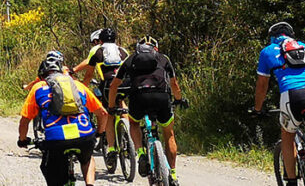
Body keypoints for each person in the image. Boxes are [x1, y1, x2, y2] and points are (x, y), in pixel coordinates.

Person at [251, 22, 305, 186]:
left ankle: (291, 181)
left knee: (287, 135)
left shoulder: (267, 51)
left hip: (293, 95)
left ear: (271, 38)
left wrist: (258, 109)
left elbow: (262, 85)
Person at [18, 52, 109, 186]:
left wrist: (22, 140)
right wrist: (100, 132)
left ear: (42, 75)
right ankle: (90, 184)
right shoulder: (77, 85)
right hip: (84, 136)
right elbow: (103, 113)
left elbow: (25, 121)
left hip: (56, 140)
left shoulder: (38, 88)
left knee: (49, 167)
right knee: (87, 158)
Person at [107, 36, 187, 185]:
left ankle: (141, 153)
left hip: (139, 98)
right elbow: (174, 84)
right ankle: (174, 174)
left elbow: (113, 86)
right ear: (155, 48)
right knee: (169, 134)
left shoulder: (130, 59)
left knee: (134, 123)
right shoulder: (163, 58)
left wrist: (111, 106)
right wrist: (178, 99)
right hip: (161, 97)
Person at [71, 28, 129, 169]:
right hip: (126, 84)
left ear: (100, 41)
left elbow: (89, 75)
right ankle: (128, 135)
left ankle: (112, 149)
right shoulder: (124, 51)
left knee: (109, 113)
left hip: (108, 86)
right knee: (122, 103)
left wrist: (82, 88)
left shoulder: (98, 51)